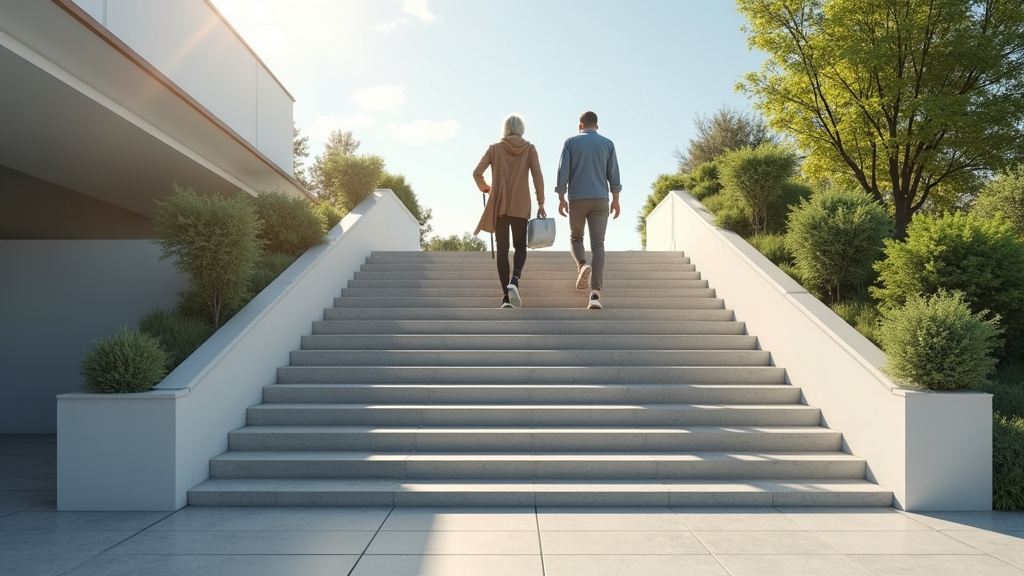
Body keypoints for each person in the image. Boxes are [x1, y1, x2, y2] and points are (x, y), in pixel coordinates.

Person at [473, 114, 546, 308]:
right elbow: (537, 175)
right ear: (521, 128)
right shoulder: (529, 149)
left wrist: (486, 188)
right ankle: (515, 279)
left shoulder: (494, 149)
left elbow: (477, 173)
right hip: (521, 204)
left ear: (505, 128)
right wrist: (541, 203)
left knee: (503, 249)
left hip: (500, 205)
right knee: (520, 246)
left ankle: (506, 296)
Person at [555, 110, 621, 309]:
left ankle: (583, 264)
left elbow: (562, 171)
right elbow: (614, 174)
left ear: (580, 125)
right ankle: (595, 295)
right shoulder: (608, 144)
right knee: (598, 245)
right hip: (601, 199)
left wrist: (561, 197)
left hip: (577, 198)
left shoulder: (570, 142)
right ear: (597, 127)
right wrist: (616, 200)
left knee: (576, 238)